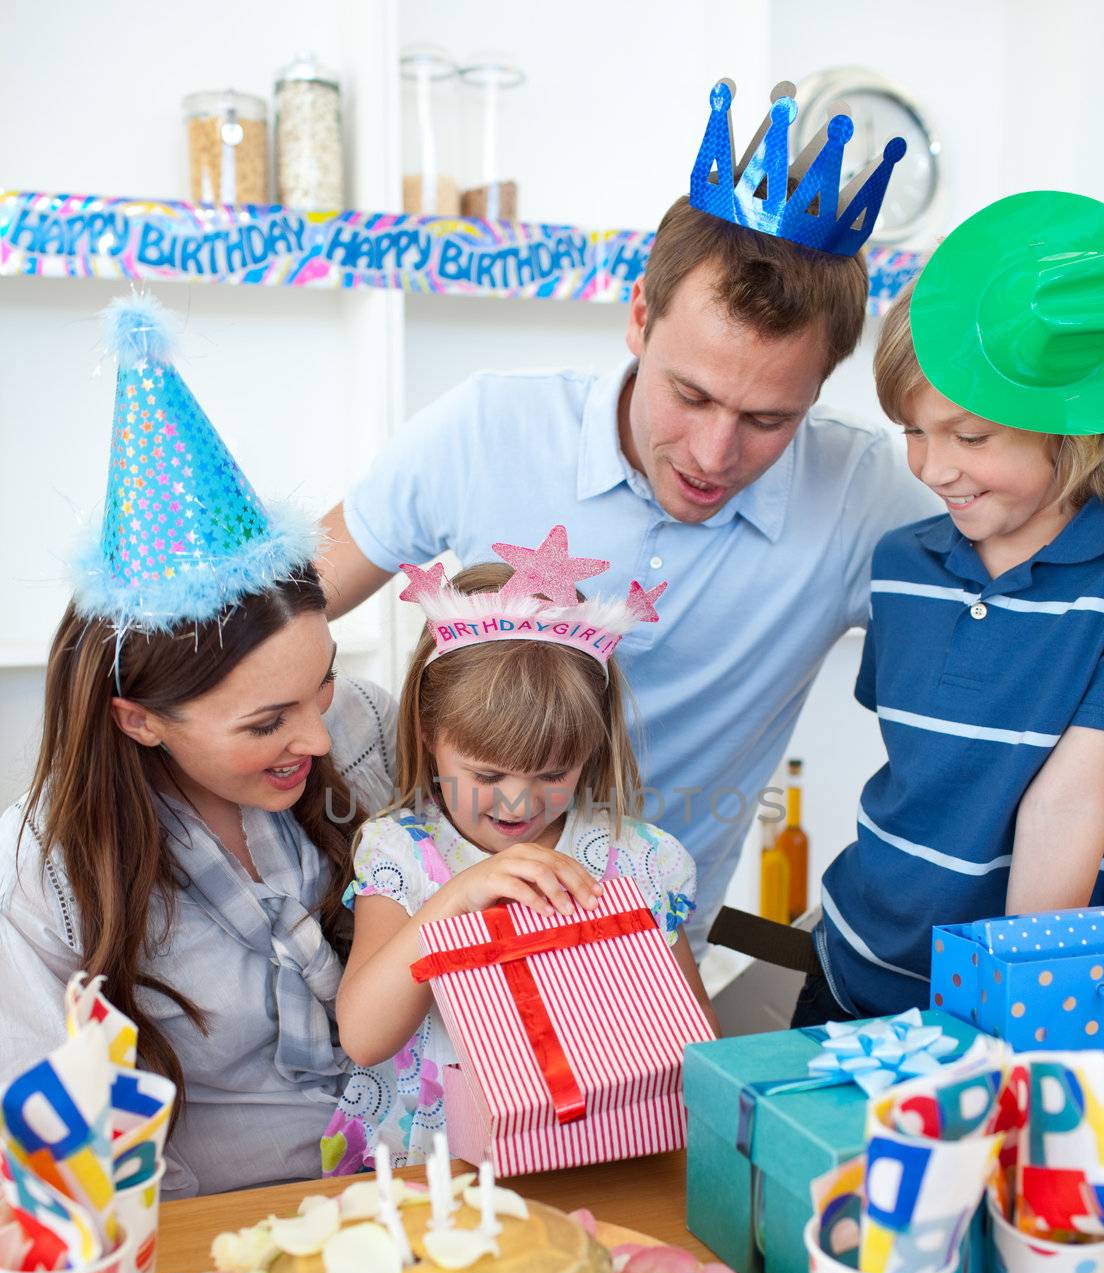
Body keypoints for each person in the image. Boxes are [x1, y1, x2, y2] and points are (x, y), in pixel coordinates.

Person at [314, 80, 936, 953]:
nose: (715, 455)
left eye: (769, 421)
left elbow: (1028, 599)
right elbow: (282, 605)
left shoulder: (863, 492)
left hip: (650, 951)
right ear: (639, 316)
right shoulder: (488, 428)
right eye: (690, 394)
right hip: (434, 943)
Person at [0, 294, 396, 1196]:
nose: (314, 732)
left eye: (320, 682)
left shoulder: (365, 732)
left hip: (412, 1184)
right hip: (199, 1230)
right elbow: (45, 1146)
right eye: (264, 723)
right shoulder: (47, 871)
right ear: (138, 718)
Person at [794, 191, 1104, 1025]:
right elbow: (922, 779)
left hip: (1005, 996)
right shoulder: (902, 565)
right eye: (911, 432)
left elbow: (1069, 812)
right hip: (850, 964)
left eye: (969, 438)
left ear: (1070, 431)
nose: (931, 469)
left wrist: (1005, 1020)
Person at [322, 537, 716, 1174]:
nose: (517, 802)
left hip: (604, 1154)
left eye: (552, 773)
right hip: (435, 1166)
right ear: (427, 732)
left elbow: (696, 1050)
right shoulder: (405, 854)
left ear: (591, 749)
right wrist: (456, 899)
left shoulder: (641, 862)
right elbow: (365, 1038)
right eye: (486, 772)